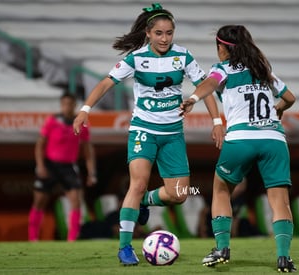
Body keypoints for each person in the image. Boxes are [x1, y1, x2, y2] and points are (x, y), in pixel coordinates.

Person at [73, 3, 223, 266]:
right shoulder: (136, 58)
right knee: (137, 182)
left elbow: (204, 86)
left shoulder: (183, 56)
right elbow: (107, 82)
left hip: (173, 134)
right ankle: (124, 247)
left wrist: (217, 120)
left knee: (179, 194)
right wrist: (85, 109)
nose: (165, 38)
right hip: (144, 130)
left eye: (169, 33)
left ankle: (144, 200)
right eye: (159, 33)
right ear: (148, 33)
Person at [180, 25, 297, 272]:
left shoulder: (223, 69)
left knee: (221, 190)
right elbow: (290, 98)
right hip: (274, 139)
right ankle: (284, 258)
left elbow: (210, 84)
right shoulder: (263, 69)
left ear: (223, 48)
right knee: (280, 201)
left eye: (218, 47)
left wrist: (192, 98)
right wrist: (278, 109)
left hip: (241, 138)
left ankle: (222, 248)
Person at [28, 93, 97, 242]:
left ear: (74, 105)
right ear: (61, 104)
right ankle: (33, 238)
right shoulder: (52, 121)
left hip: (68, 167)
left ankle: (72, 239)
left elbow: (88, 150)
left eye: (70, 104)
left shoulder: (81, 123)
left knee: (76, 201)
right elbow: (40, 144)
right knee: (39, 201)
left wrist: (92, 172)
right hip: (50, 165)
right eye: (64, 103)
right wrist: (40, 165)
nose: (67, 107)